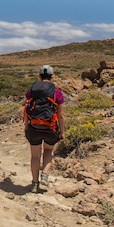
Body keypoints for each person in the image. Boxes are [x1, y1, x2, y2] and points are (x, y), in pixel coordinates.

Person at [24, 65, 65, 193]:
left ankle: (34, 184)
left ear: (39, 76)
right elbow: (61, 115)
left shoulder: (31, 90)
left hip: (33, 127)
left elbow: (25, 109)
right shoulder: (56, 92)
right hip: (50, 128)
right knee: (48, 151)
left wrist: (26, 126)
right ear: (52, 76)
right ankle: (45, 175)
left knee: (35, 156)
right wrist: (62, 132)